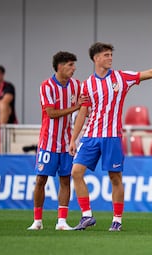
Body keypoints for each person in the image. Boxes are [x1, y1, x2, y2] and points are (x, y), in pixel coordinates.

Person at [69, 42, 152, 232]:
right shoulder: (87, 84)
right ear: (96, 59)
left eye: (111, 54)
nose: (110, 58)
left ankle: (117, 220)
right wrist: (74, 139)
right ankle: (87, 216)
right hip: (90, 136)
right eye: (106, 55)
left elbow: (149, 73)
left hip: (112, 136)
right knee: (76, 172)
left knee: (115, 177)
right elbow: (83, 112)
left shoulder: (121, 78)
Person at [27, 51, 87, 231]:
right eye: (70, 65)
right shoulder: (46, 86)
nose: (74, 68)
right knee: (41, 180)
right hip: (48, 142)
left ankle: (61, 221)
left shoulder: (76, 85)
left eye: (74, 65)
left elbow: (85, 107)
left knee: (65, 180)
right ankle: (37, 220)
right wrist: (75, 107)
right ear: (60, 66)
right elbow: (51, 113)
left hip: (67, 142)